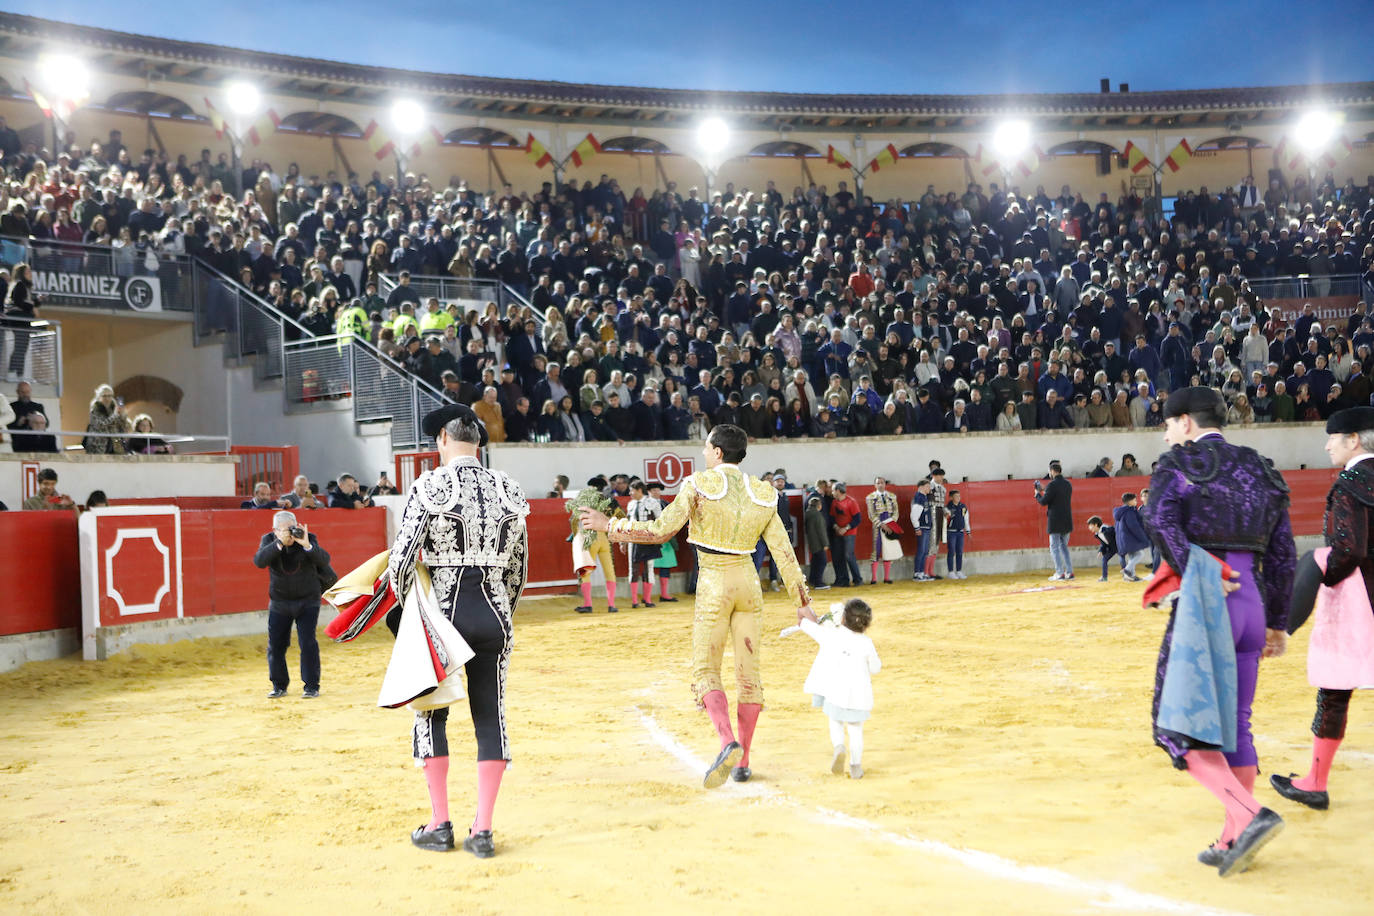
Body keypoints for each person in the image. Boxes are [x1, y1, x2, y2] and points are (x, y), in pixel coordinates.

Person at [580, 424, 812, 786]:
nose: (703, 453)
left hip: (715, 583)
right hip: (749, 585)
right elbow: (783, 552)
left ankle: (726, 742)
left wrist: (610, 525)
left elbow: (659, 531)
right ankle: (743, 761)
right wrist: (801, 603)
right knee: (749, 677)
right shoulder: (763, 493)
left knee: (706, 671)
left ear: (718, 452)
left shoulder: (698, 484)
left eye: (706, 448)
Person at [1142, 386, 1294, 876]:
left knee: (1178, 728)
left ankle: (1250, 815)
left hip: (1213, 597)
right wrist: (1277, 621)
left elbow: (1161, 520)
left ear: (1186, 421)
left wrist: (1195, 570)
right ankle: (1233, 839)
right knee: (1237, 724)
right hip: (1252, 600)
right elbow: (1284, 551)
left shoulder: (1179, 463)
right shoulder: (1261, 468)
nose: (1165, 434)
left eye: (1167, 424)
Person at [389, 404, 529, 858]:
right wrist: (503, 613)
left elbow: (402, 562)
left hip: (446, 619)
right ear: (480, 445)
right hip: (495, 617)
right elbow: (519, 570)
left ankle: (439, 824)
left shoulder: (429, 486)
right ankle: (482, 831)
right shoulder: (509, 488)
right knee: (491, 715)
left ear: (442, 442)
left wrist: (409, 615)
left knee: (431, 713)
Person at [1270, 407, 1374, 813]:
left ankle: (1315, 782)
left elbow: (1349, 550)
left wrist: (1318, 567)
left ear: (1354, 440)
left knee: (1334, 692)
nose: (1327, 444)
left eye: (1333, 437)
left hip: (1359, 601)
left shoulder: (1351, 483)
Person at [252, 510, 332, 700]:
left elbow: (324, 560)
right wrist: (279, 544)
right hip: (280, 601)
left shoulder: (308, 538)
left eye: (292, 528)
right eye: (284, 530)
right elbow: (259, 561)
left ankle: (311, 686)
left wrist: (306, 545)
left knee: (308, 643)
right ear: (275, 530)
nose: (289, 533)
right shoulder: (269, 540)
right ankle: (279, 686)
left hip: (308, 600)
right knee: (276, 645)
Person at [801, 598, 880, 780]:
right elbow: (875, 668)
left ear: (843, 618)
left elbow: (811, 628)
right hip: (859, 696)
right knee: (855, 730)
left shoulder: (832, 635)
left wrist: (803, 617)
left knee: (835, 721)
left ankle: (838, 746)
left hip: (836, 692)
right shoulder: (867, 643)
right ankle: (855, 766)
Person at [570, 481, 620, 613]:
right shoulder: (611, 503)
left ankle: (588, 604)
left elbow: (574, 520)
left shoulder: (585, 500)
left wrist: (577, 536)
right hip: (604, 539)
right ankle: (611, 605)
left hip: (589, 537)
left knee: (585, 572)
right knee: (609, 571)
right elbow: (620, 519)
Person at [1034, 460, 1074, 580]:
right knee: (1064, 547)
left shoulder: (1052, 485)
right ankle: (1069, 572)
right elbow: (1057, 496)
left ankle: (1060, 572)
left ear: (1052, 471)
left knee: (1054, 547)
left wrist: (1037, 494)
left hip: (1055, 521)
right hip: (1067, 519)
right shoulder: (1068, 484)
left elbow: (1043, 501)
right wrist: (1044, 490)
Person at [625, 481, 662, 608]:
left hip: (648, 540)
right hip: (633, 539)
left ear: (639, 490)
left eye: (632, 490)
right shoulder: (630, 505)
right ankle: (635, 601)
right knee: (633, 568)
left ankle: (647, 599)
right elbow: (627, 524)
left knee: (648, 568)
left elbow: (660, 521)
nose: (630, 493)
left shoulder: (653, 503)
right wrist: (623, 541)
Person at [646, 481, 679, 604]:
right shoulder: (645, 504)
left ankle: (664, 593)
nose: (656, 492)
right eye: (653, 490)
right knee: (647, 567)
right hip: (650, 539)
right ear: (648, 492)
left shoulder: (665, 504)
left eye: (657, 490)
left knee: (666, 566)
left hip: (665, 539)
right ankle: (647, 596)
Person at [865, 477, 900, 585]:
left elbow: (896, 512)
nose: (880, 485)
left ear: (885, 484)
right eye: (878, 483)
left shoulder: (892, 496)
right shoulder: (870, 497)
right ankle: (874, 578)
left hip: (890, 526)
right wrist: (881, 525)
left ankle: (886, 577)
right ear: (875, 485)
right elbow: (871, 514)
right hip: (877, 527)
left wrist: (890, 524)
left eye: (882, 483)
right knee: (876, 550)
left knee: (888, 550)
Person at [829, 482, 863, 587]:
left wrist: (846, 528)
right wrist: (836, 527)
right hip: (839, 532)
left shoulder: (851, 502)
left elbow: (857, 519)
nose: (832, 492)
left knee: (849, 555)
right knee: (838, 556)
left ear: (838, 491)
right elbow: (832, 517)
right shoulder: (834, 502)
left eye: (833, 490)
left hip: (849, 533)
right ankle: (843, 580)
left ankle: (857, 579)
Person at [1112, 492, 1151, 581]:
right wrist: (1143, 538)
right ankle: (1127, 570)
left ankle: (1130, 576)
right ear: (1130, 502)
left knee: (1132, 557)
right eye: (1134, 500)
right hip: (1130, 539)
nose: (1136, 501)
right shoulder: (1129, 512)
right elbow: (1134, 527)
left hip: (1123, 540)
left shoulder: (1120, 512)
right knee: (1140, 554)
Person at [83, 384, 128, 455]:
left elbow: (123, 427)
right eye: (104, 396)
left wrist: (123, 416)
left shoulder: (114, 408)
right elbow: (101, 425)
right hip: (98, 447)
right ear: (99, 397)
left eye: (109, 396)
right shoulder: (95, 410)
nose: (107, 398)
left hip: (114, 446)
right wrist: (115, 415)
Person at [910, 478, 935, 581]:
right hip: (922, 528)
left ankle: (921, 572)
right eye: (927, 486)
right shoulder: (919, 498)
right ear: (921, 487)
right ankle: (917, 573)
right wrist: (917, 527)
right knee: (921, 551)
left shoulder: (923, 497)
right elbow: (914, 515)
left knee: (924, 551)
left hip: (926, 527)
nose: (929, 488)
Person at [804, 495, 830, 589]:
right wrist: (825, 544)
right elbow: (821, 531)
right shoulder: (817, 515)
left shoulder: (808, 513)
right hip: (818, 543)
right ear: (819, 505)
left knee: (815, 562)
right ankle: (818, 582)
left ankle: (813, 580)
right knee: (822, 562)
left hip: (812, 542)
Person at [945, 489, 970, 578]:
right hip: (951, 532)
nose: (958, 498)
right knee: (951, 551)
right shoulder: (948, 507)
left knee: (959, 551)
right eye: (956, 496)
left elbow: (966, 519)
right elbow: (945, 519)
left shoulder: (963, 507)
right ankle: (951, 571)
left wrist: (968, 531)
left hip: (960, 532)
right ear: (951, 498)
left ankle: (959, 570)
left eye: (959, 496)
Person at [1086, 515, 1118, 582]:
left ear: (1095, 525)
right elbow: (1103, 544)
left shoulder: (1107, 529)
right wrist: (1101, 551)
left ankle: (1128, 574)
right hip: (1112, 548)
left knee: (1122, 559)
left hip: (1120, 546)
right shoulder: (1097, 534)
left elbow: (1117, 533)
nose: (1089, 527)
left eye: (1090, 525)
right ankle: (1104, 577)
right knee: (1104, 559)